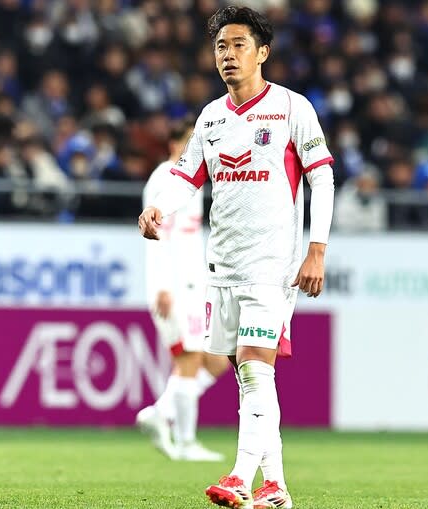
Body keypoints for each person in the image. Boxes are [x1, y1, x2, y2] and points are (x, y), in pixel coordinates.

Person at [138, 6, 334, 508]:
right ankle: (276, 487)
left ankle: (241, 477)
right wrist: (159, 207)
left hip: (273, 264)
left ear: (262, 52)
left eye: (239, 44)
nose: (228, 54)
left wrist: (316, 249)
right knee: (249, 378)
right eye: (221, 46)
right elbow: (185, 177)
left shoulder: (291, 108)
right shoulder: (211, 117)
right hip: (222, 267)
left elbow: (322, 178)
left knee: (253, 368)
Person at [136, 119, 230, 462]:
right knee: (189, 358)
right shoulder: (164, 179)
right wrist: (163, 285)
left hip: (195, 285)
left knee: (218, 360)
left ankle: (161, 413)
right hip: (174, 288)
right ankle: (186, 442)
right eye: (191, 142)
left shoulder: (194, 182)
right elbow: (157, 235)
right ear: (174, 145)